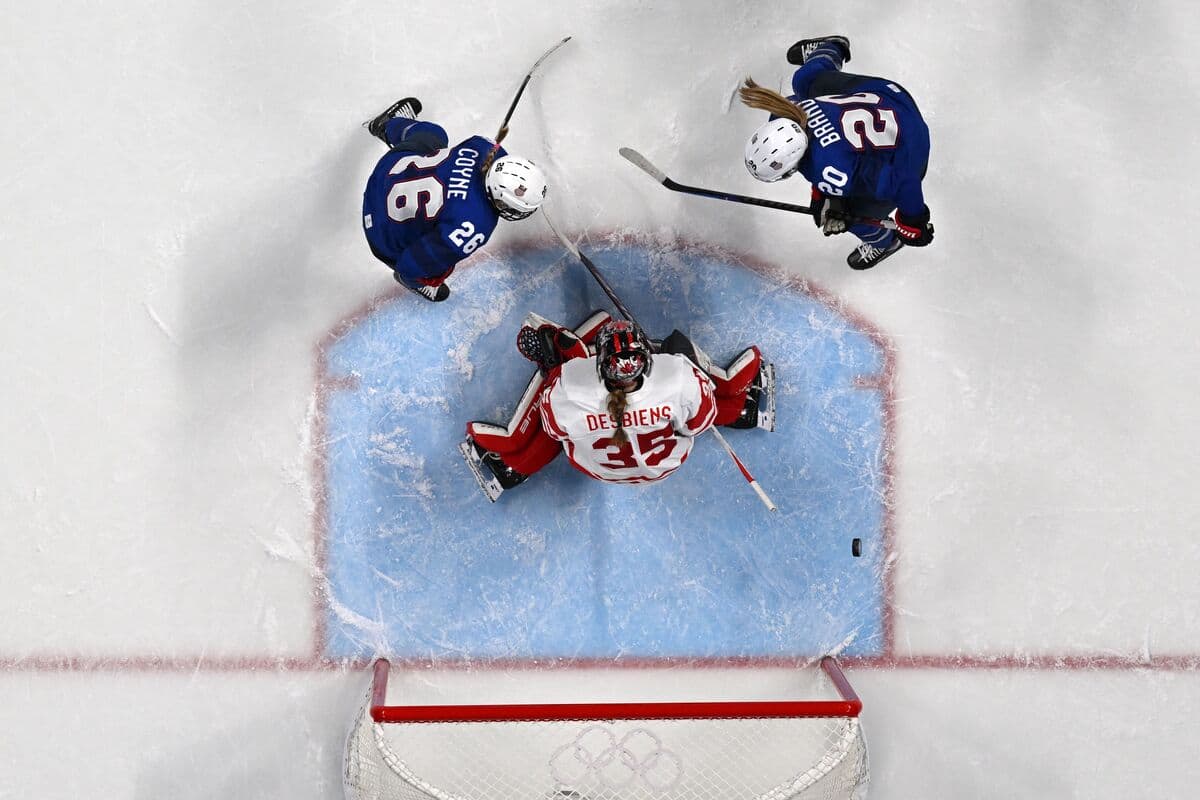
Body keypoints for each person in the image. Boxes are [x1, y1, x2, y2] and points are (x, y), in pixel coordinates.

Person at [459, 312, 775, 501]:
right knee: (684, 357)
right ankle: (745, 411)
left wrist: (556, 368)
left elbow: (555, 431)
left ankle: (515, 466)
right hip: (664, 466)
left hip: (598, 470)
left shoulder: (573, 381)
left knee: (562, 424)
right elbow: (696, 425)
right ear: (647, 360)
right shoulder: (675, 372)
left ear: (599, 365)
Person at [740, 36, 933, 270]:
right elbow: (826, 150)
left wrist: (913, 222)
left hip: (912, 148)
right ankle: (833, 47)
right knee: (804, 81)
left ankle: (885, 242)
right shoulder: (787, 112)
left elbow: (904, 181)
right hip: (891, 97)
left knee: (853, 217)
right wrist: (824, 195)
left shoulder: (833, 170)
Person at [361, 98, 549, 301]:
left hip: (386, 172)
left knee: (434, 135)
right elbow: (412, 264)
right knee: (438, 263)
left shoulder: (482, 147)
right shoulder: (474, 225)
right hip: (382, 236)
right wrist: (412, 276)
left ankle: (388, 124)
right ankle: (417, 283)